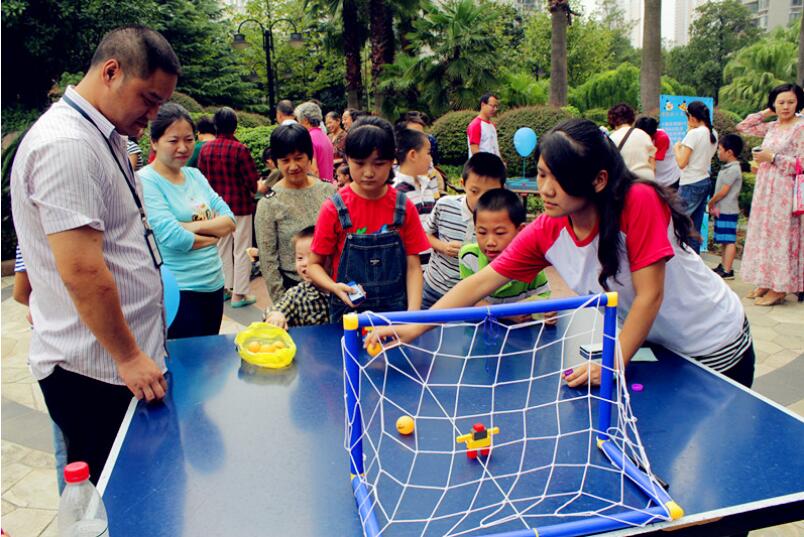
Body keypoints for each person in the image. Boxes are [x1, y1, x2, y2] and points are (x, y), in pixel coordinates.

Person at [370, 119, 754, 390]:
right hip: (663, 351)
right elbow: (480, 281)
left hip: (715, 345)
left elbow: (650, 294)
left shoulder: (638, 200)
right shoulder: (549, 228)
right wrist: (413, 326)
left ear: (598, 180)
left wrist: (613, 360)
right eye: (541, 175)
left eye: (560, 177)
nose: (547, 189)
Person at [10, 25, 179, 484]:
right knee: (115, 502)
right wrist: (127, 355)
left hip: (121, 366)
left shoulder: (104, 136)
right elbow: (82, 270)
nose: (154, 114)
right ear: (111, 72)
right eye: (148, 99)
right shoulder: (66, 146)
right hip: (97, 373)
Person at [308, 118, 431, 323]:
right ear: (347, 159)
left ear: (392, 160)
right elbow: (314, 265)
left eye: (378, 163)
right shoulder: (334, 208)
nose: (368, 172)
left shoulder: (403, 206)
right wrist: (333, 287)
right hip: (348, 313)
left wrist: (413, 313)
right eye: (359, 163)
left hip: (395, 312)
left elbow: (413, 266)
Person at [140, 103, 236, 338]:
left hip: (213, 284)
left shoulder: (194, 175)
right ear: (154, 142)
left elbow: (230, 220)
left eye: (189, 139)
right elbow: (173, 236)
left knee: (208, 360)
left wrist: (189, 227)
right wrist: (213, 236)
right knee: (186, 364)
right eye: (173, 141)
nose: (183, 148)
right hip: (179, 290)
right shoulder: (146, 181)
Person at [737, 83, 804, 306]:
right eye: (781, 102)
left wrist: (773, 158)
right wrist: (767, 111)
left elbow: (802, 164)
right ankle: (766, 281)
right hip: (765, 188)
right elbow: (743, 126)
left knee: (781, 237)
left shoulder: (800, 127)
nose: (786, 107)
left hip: (785, 190)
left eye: (791, 102)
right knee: (764, 234)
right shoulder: (773, 126)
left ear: (799, 103)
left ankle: (779, 288)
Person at [255, 124, 336, 304]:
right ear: (276, 162)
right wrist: (283, 304)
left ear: (309, 157)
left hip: (333, 286)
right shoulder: (268, 203)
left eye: (299, 158)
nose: (293, 166)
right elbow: (268, 261)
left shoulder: (329, 192)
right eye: (285, 160)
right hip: (294, 291)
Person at [198, 107, 267, 307]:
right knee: (242, 249)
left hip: (217, 208)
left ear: (215, 126)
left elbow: (202, 180)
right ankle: (240, 294)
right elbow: (251, 183)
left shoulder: (206, 149)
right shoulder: (241, 150)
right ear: (235, 126)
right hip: (239, 206)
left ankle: (225, 289)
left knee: (222, 248)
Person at [12, 245, 68, 493]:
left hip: (105, 360)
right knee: (68, 453)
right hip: (62, 360)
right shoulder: (35, 233)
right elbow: (21, 292)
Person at [422, 152, 506, 308]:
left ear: (502, 189)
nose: (481, 198)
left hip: (471, 299)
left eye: (489, 193)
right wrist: (443, 247)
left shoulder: (502, 223)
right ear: (463, 183)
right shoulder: (445, 205)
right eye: (474, 191)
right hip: (433, 289)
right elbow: (425, 235)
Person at [459, 188, 549, 305]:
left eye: (500, 233)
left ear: (520, 231)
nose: (490, 242)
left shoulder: (530, 262)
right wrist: (508, 314)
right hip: (481, 321)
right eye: (482, 232)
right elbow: (469, 299)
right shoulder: (469, 256)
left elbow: (543, 296)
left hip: (520, 322)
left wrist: (545, 312)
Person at [674, 100, 718, 254]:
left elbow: (681, 162)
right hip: (704, 180)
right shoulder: (713, 133)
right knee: (694, 227)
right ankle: (695, 260)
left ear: (691, 117)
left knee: (677, 224)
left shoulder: (694, 134)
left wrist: (676, 148)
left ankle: (678, 261)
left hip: (690, 183)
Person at [263, 226, 330, 328]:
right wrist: (275, 315)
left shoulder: (341, 286)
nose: (304, 263)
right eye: (299, 258)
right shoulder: (298, 294)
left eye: (312, 256)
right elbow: (278, 308)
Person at [707, 133, 744, 281]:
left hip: (728, 210)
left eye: (720, 149)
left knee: (729, 240)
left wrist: (711, 202)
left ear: (729, 152)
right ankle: (724, 265)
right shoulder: (728, 167)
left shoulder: (733, 169)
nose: (718, 152)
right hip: (722, 209)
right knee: (724, 239)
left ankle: (728, 270)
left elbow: (724, 191)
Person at [607, 103, 656, 182]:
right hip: (648, 181)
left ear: (612, 120)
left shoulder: (611, 138)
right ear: (632, 118)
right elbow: (652, 163)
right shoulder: (644, 135)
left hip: (626, 183)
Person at [635, 116, 680, 189]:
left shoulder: (662, 137)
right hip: (656, 179)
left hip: (669, 179)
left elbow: (654, 160)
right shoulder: (641, 137)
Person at [295, 101, 335, 183]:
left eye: (298, 120)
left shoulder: (308, 138)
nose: (298, 124)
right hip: (328, 188)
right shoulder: (325, 136)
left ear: (305, 120)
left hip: (318, 190)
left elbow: (314, 171)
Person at [467, 93, 501, 157]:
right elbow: (475, 151)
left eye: (496, 106)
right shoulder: (475, 125)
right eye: (492, 106)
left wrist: (501, 163)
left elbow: (495, 148)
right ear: (483, 105)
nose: (495, 109)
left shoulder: (492, 126)